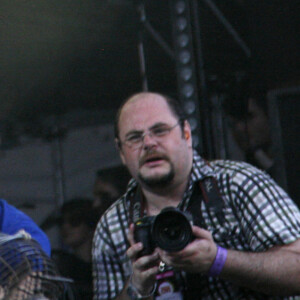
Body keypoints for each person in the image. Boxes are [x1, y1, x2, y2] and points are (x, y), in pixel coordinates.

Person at [92, 92, 300, 299]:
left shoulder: (238, 183)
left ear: (186, 134)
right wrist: (137, 287)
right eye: (134, 137)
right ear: (120, 151)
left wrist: (218, 260)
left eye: (160, 130)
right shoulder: (112, 226)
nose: (148, 143)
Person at [52, 197, 100, 300]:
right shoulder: (62, 266)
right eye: (61, 222)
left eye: (74, 220)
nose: (66, 226)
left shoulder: (102, 265)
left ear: (90, 225)